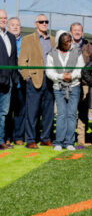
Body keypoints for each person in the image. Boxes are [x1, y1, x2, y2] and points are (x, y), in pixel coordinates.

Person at [19, 14, 55, 149]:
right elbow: (22, 61)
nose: (44, 23)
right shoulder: (28, 39)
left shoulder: (53, 40)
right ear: (36, 24)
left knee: (48, 112)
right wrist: (27, 77)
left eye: (46, 21)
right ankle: (30, 139)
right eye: (41, 21)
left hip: (50, 80)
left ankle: (45, 138)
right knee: (32, 112)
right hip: (34, 79)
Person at [46, 31, 84, 151]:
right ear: (59, 43)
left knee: (72, 114)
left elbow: (81, 68)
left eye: (70, 40)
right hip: (59, 87)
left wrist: (71, 76)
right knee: (61, 114)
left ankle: (69, 142)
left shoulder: (77, 51)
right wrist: (61, 76)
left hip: (74, 86)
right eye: (65, 42)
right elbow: (49, 72)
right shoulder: (51, 54)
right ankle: (59, 141)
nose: (69, 43)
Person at [70, 22, 92, 146]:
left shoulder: (89, 46)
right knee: (70, 111)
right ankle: (68, 137)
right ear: (70, 32)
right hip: (70, 83)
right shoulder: (66, 44)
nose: (77, 32)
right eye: (75, 30)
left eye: (79, 30)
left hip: (84, 84)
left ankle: (81, 139)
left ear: (82, 32)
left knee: (83, 112)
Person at [6, 17, 25, 146]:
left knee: (20, 110)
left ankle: (18, 136)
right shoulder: (4, 40)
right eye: (12, 25)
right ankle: (6, 137)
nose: (15, 27)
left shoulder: (25, 41)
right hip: (7, 81)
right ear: (8, 26)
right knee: (6, 111)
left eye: (17, 25)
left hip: (21, 81)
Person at [0, 10, 17, 150]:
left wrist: (14, 78)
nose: (3, 20)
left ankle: (1, 140)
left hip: (8, 81)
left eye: (5, 18)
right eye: (1, 18)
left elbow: (13, 59)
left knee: (4, 112)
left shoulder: (11, 37)